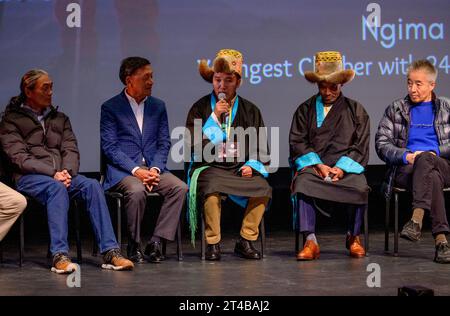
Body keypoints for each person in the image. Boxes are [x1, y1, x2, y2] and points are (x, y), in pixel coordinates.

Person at [0, 69, 133, 273]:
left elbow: (70, 149)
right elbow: (19, 157)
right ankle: (59, 255)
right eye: (45, 88)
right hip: (29, 177)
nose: (51, 92)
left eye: (52, 87)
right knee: (56, 188)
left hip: (61, 175)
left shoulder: (60, 118)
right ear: (28, 90)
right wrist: (53, 173)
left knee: (92, 185)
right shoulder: (11, 120)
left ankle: (110, 251)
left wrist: (66, 173)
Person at [186, 49, 272, 260]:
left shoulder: (251, 110)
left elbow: (260, 145)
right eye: (217, 80)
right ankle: (213, 243)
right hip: (210, 167)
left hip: (238, 167)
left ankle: (246, 239)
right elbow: (193, 145)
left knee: (263, 188)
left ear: (238, 82)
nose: (222, 86)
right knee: (212, 187)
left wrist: (251, 165)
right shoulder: (200, 108)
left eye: (228, 80)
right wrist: (215, 117)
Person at [101, 57, 188, 264]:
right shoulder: (111, 107)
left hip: (153, 168)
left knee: (180, 188)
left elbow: (164, 142)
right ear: (129, 80)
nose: (151, 81)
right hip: (124, 171)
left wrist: (155, 169)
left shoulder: (158, 106)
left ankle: (157, 242)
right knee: (137, 190)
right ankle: (134, 243)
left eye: (152, 76)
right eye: (146, 77)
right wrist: (136, 171)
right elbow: (110, 147)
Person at [290, 51, 370, 260]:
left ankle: (354, 236)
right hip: (316, 169)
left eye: (332, 86)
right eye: (322, 86)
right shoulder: (305, 109)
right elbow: (298, 141)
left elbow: (360, 145)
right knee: (303, 183)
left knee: (360, 186)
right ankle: (311, 240)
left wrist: (342, 168)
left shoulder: (356, 110)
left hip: (345, 169)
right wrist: (318, 165)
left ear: (341, 84)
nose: (327, 92)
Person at [375, 59, 450, 263]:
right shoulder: (396, 108)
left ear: (432, 85)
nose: (412, 88)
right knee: (430, 176)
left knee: (426, 159)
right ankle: (441, 242)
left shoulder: (446, 107)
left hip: (443, 165)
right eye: (409, 83)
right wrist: (405, 156)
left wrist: (435, 151)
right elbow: (381, 143)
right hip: (406, 169)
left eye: (418, 84)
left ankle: (416, 219)